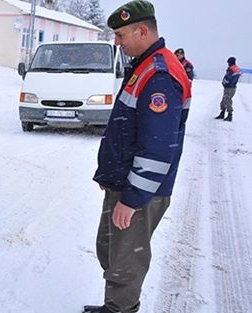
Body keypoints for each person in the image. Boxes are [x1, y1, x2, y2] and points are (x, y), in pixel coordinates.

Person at [87, 1, 191, 313]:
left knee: (125, 260)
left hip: (140, 191)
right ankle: (115, 305)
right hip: (125, 183)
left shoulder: (159, 74)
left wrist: (132, 199)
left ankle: (121, 309)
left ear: (141, 30)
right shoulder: (145, 66)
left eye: (120, 35)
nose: (116, 42)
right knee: (112, 251)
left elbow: (157, 148)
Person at [215, 56, 241, 121]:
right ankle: (222, 113)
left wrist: (224, 83)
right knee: (224, 100)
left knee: (227, 100)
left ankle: (230, 115)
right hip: (232, 87)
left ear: (230, 62)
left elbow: (228, 78)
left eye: (228, 63)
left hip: (229, 88)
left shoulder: (231, 69)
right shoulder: (236, 68)